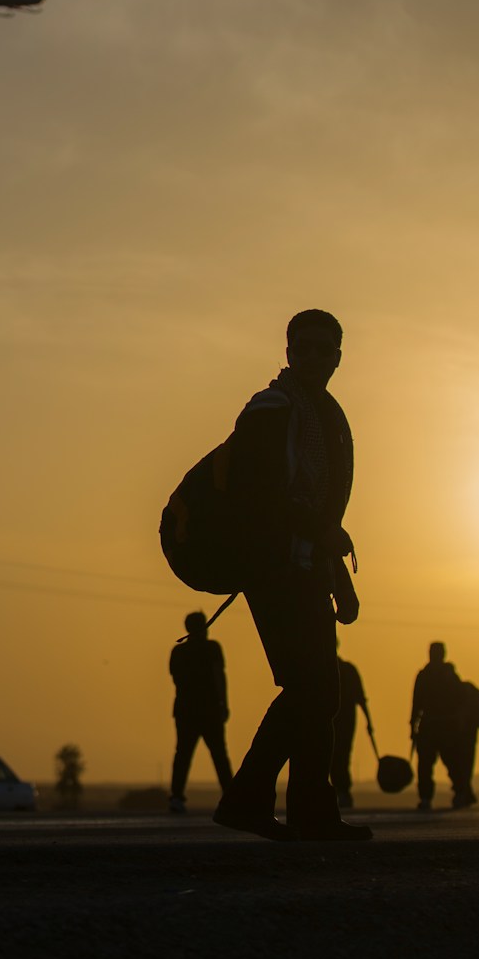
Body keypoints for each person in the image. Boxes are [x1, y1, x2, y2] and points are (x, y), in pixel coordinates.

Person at [210, 310, 368, 842]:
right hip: (274, 567)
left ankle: (299, 808)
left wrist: (336, 575)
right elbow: (262, 496)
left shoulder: (327, 416)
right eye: (304, 348)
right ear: (288, 352)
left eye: (325, 349)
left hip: (307, 569)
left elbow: (326, 510)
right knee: (312, 686)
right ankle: (258, 801)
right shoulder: (272, 408)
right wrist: (318, 536)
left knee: (320, 690)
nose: (314, 357)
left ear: (338, 357)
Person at [166, 610, 231, 814]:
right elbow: (219, 676)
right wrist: (224, 704)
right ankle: (230, 797)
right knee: (219, 754)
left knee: (183, 754)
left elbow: (176, 679)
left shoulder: (179, 652)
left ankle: (177, 797)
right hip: (209, 708)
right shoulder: (212, 648)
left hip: (185, 709)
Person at [411, 641, 476, 809]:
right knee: (426, 765)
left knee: (451, 762)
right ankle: (426, 797)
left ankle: (460, 793)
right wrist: (413, 725)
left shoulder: (449, 676)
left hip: (446, 726)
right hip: (431, 725)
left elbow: (461, 701)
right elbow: (416, 703)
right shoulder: (426, 676)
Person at [332, 645, 370, 808]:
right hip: (329, 718)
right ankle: (339, 793)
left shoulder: (347, 670)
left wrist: (369, 722)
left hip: (344, 719)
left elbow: (361, 698)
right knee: (334, 757)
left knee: (340, 756)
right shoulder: (320, 669)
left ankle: (343, 792)